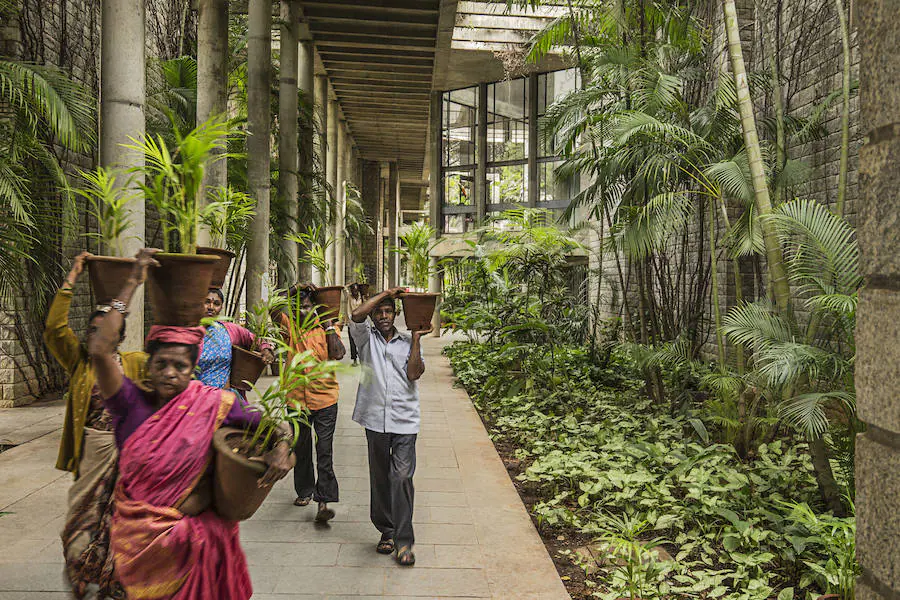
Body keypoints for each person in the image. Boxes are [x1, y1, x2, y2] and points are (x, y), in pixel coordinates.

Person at [88, 248, 294, 600]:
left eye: (180, 366)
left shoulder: (214, 402)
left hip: (199, 550)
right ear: (148, 365)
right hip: (139, 546)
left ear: (193, 368)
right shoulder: (128, 403)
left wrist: (282, 450)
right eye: (162, 364)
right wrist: (131, 283)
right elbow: (99, 349)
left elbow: (274, 427)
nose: (170, 373)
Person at [43, 251, 146, 599]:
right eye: (92, 329)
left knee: (124, 528)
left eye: (105, 329)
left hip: (128, 461)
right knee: (78, 530)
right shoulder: (78, 363)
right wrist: (73, 274)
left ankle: (115, 584)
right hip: (92, 454)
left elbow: (170, 369)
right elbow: (55, 328)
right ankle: (84, 573)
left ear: (118, 335)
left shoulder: (135, 364)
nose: (96, 335)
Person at [348, 287, 430, 567]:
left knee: (402, 477)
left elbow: (414, 373)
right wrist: (387, 293)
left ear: (395, 315)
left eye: (388, 311)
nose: (383, 316)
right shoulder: (364, 339)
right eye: (379, 312)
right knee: (381, 477)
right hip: (374, 419)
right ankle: (387, 531)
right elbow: (355, 315)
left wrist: (417, 339)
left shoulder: (407, 342)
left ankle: (405, 542)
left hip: (405, 419)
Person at [278, 285, 345, 522]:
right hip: (296, 400)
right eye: (298, 308)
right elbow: (274, 306)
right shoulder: (289, 327)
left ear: (315, 308)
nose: (303, 312)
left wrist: (328, 326)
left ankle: (323, 500)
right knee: (302, 448)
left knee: (324, 451)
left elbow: (338, 353)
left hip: (325, 400)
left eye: (307, 307)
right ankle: (304, 490)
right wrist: (293, 289)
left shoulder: (328, 327)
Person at [198, 288, 274, 394]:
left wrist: (266, 349)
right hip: (197, 398)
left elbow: (254, 338)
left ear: (221, 307)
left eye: (216, 304)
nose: (211, 307)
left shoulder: (229, 330)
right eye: (207, 302)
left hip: (225, 397)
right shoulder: (190, 332)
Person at [346, 284, 365, 366]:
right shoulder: (349, 297)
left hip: (361, 322)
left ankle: (363, 358)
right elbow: (348, 310)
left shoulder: (362, 298)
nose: (355, 292)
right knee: (352, 342)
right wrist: (350, 321)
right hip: (352, 322)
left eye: (356, 290)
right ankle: (354, 360)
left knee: (362, 341)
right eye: (353, 290)